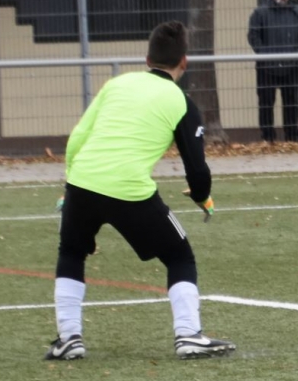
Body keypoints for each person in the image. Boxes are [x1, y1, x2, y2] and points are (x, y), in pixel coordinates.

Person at [46, 21, 236, 361]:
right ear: (184, 62)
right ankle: (189, 335)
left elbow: (77, 139)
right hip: (129, 189)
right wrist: (201, 197)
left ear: (147, 59)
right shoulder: (182, 102)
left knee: (71, 252)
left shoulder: (116, 84)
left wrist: (70, 187)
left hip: (82, 182)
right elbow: (197, 168)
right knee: (179, 256)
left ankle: (69, 339)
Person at [248, 0, 298, 142]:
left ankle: (292, 137)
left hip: (291, 65)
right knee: (266, 103)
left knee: (291, 102)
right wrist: (264, 54)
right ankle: (268, 137)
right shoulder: (260, 13)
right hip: (267, 66)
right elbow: (253, 36)